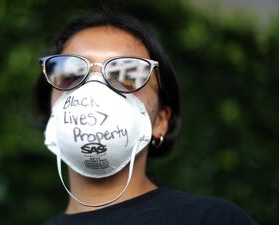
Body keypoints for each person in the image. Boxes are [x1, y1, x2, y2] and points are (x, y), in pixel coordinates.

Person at [34, 12, 258, 225]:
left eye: (127, 75)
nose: (94, 88)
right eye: (71, 73)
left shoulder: (213, 220)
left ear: (161, 120)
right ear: (50, 105)